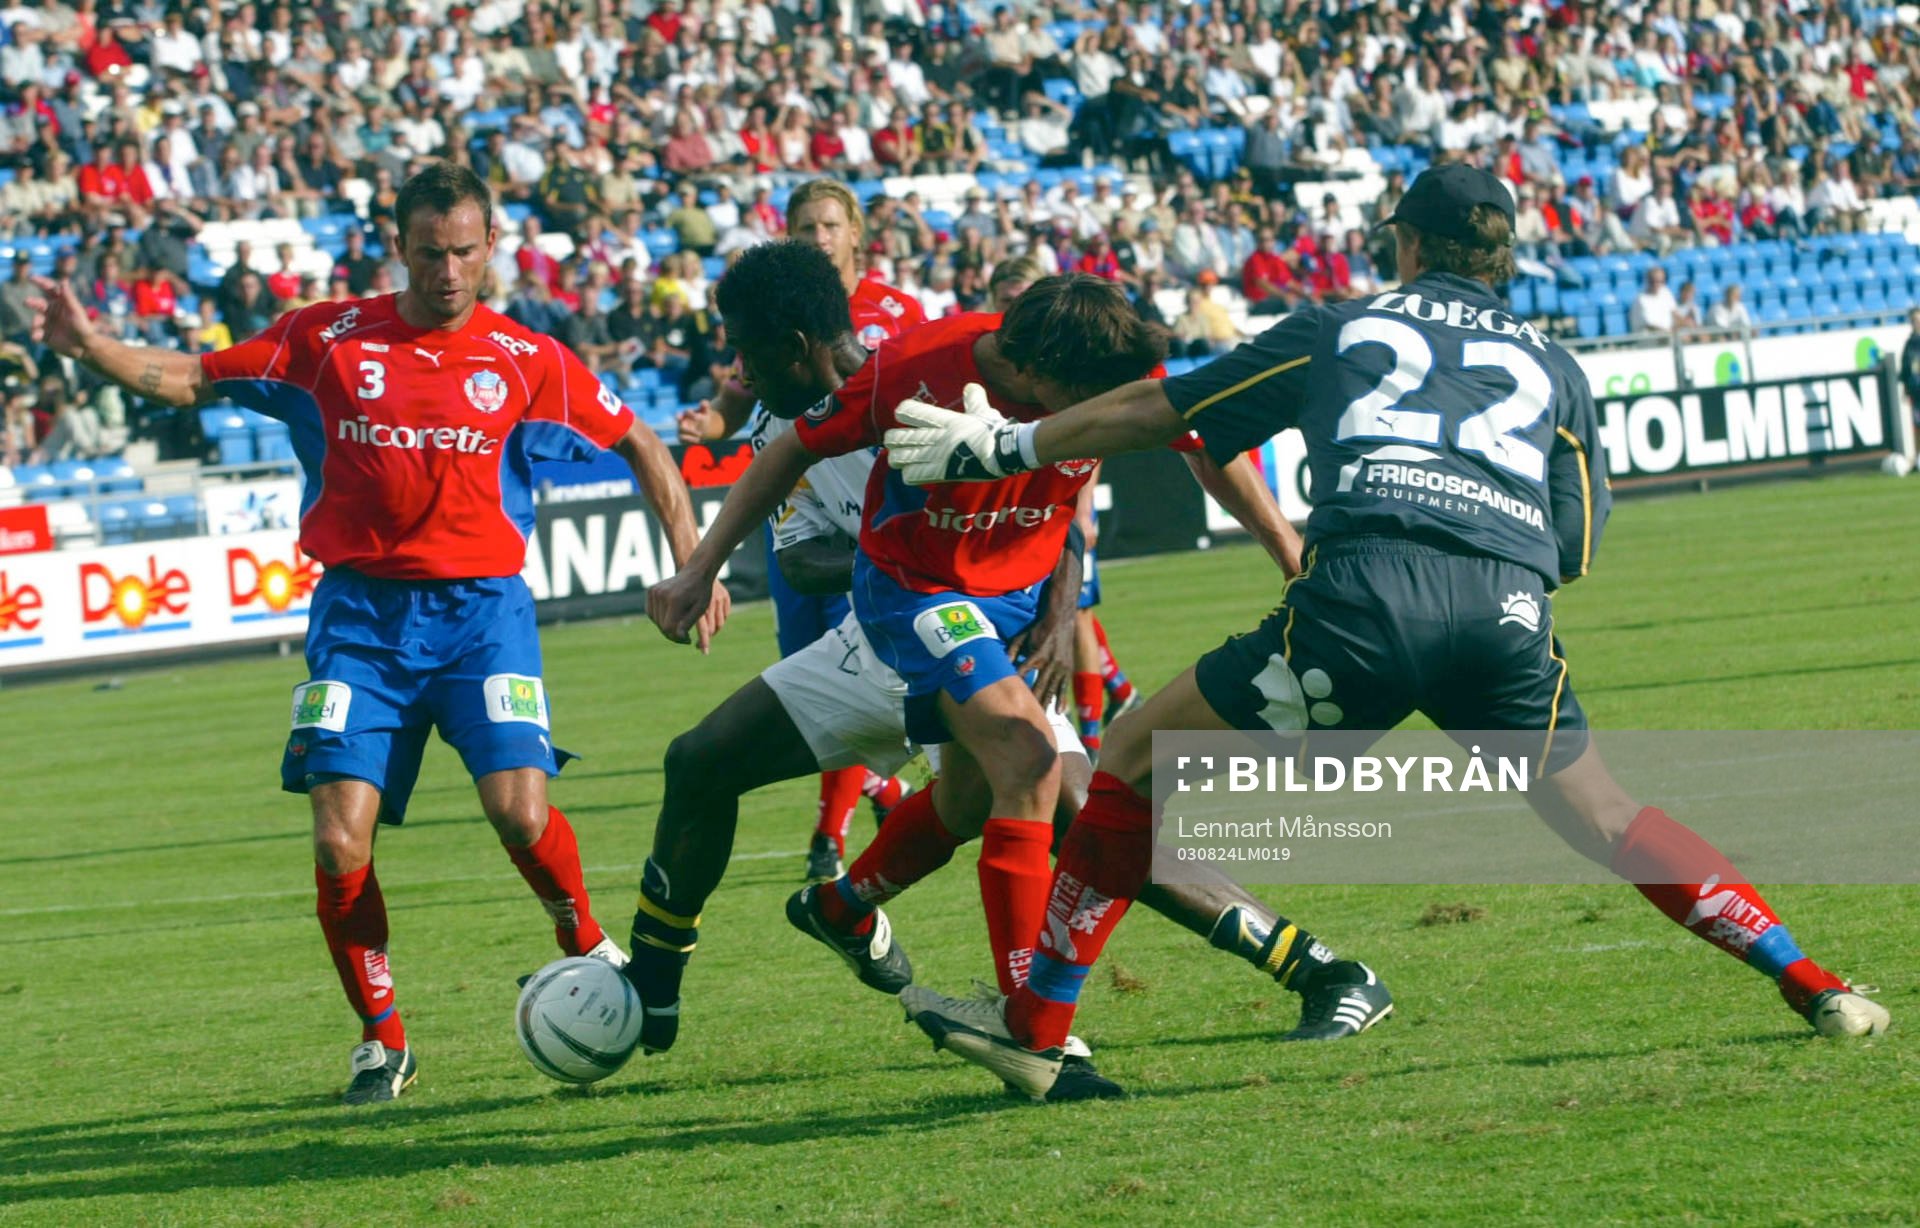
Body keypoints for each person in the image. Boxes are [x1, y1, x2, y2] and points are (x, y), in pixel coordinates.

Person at [883, 162, 1889, 1100]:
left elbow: (1166, 409)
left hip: (1357, 610)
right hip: (1504, 623)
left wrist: (1004, 442)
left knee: (1132, 756)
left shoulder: (1338, 325)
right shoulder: (1556, 363)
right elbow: (1574, 550)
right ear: (1499, 258)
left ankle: (1038, 1024)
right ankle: (1819, 984)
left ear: (1407, 243)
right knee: (1611, 818)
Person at [27, 162, 731, 1106]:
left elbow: (642, 442)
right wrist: (89, 345)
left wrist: (691, 558)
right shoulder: (324, 338)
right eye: (431, 252)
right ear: (399, 246)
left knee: (520, 811)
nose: (449, 271)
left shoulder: (527, 358)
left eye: (466, 252)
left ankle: (583, 940)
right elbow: (191, 377)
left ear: (491, 250)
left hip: (485, 618)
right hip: (360, 620)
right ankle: (381, 1038)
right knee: (336, 840)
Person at [675, 179, 923, 884]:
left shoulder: (896, 318)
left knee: (997, 778)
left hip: (911, 559)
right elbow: (741, 403)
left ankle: (831, 839)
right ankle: (875, 815)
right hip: (818, 522)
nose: (818, 235)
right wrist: (711, 426)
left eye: (829, 224)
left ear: (854, 234)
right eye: (805, 225)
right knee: (811, 688)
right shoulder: (768, 323)